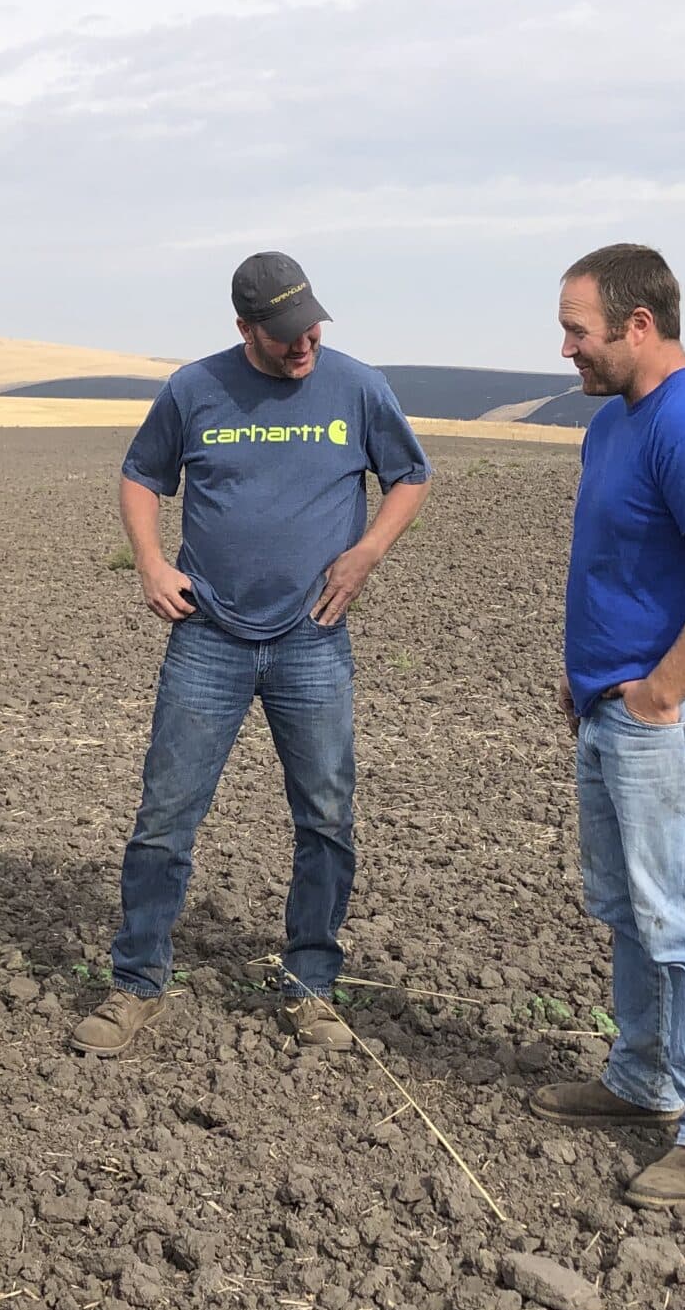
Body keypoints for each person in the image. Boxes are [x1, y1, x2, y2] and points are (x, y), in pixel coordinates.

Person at [71, 251, 431, 1058]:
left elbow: (410, 476)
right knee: (165, 821)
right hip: (209, 637)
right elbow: (139, 476)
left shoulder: (359, 387)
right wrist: (150, 561)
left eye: (310, 329)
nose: (302, 346)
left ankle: (311, 987)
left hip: (313, 635)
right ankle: (136, 984)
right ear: (245, 329)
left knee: (327, 819)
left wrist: (368, 550)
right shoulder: (194, 389)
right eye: (283, 335)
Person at [531, 242, 685, 1210]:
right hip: (615, 710)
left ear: (639, 325)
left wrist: (661, 691)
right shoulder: (618, 424)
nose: (564, 350)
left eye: (577, 330)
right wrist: (591, 679)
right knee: (629, 911)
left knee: (682, 919)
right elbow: (626, 567)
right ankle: (641, 1080)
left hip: (675, 724)